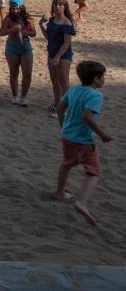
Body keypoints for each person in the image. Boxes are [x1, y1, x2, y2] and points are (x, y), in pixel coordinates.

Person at [53, 60, 112, 226]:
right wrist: (102, 134)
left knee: (66, 164)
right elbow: (87, 117)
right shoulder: (95, 96)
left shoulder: (73, 90)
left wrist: (63, 126)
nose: (104, 79)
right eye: (103, 76)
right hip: (83, 140)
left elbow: (60, 109)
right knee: (94, 172)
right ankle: (81, 202)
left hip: (67, 136)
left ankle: (60, 193)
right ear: (96, 79)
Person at [40, 0, 77, 119]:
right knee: (54, 80)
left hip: (64, 55)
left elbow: (66, 43)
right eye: (55, 4)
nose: (57, 7)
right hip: (52, 54)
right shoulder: (52, 21)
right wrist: (41, 25)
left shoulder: (67, 23)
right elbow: (48, 37)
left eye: (60, 5)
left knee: (63, 81)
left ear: (65, 7)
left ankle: (67, 109)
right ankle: (58, 104)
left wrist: (57, 57)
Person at [0, 0, 36, 106]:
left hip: (25, 46)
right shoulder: (8, 18)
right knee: (14, 73)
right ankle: (15, 96)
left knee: (27, 73)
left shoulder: (28, 18)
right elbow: (1, 32)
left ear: (21, 7)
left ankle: (23, 97)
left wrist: (26, 32)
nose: (15, 10)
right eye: (12, 8)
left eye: (17, 8)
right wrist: (12, 30)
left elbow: (34, 33)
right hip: (12, 46)